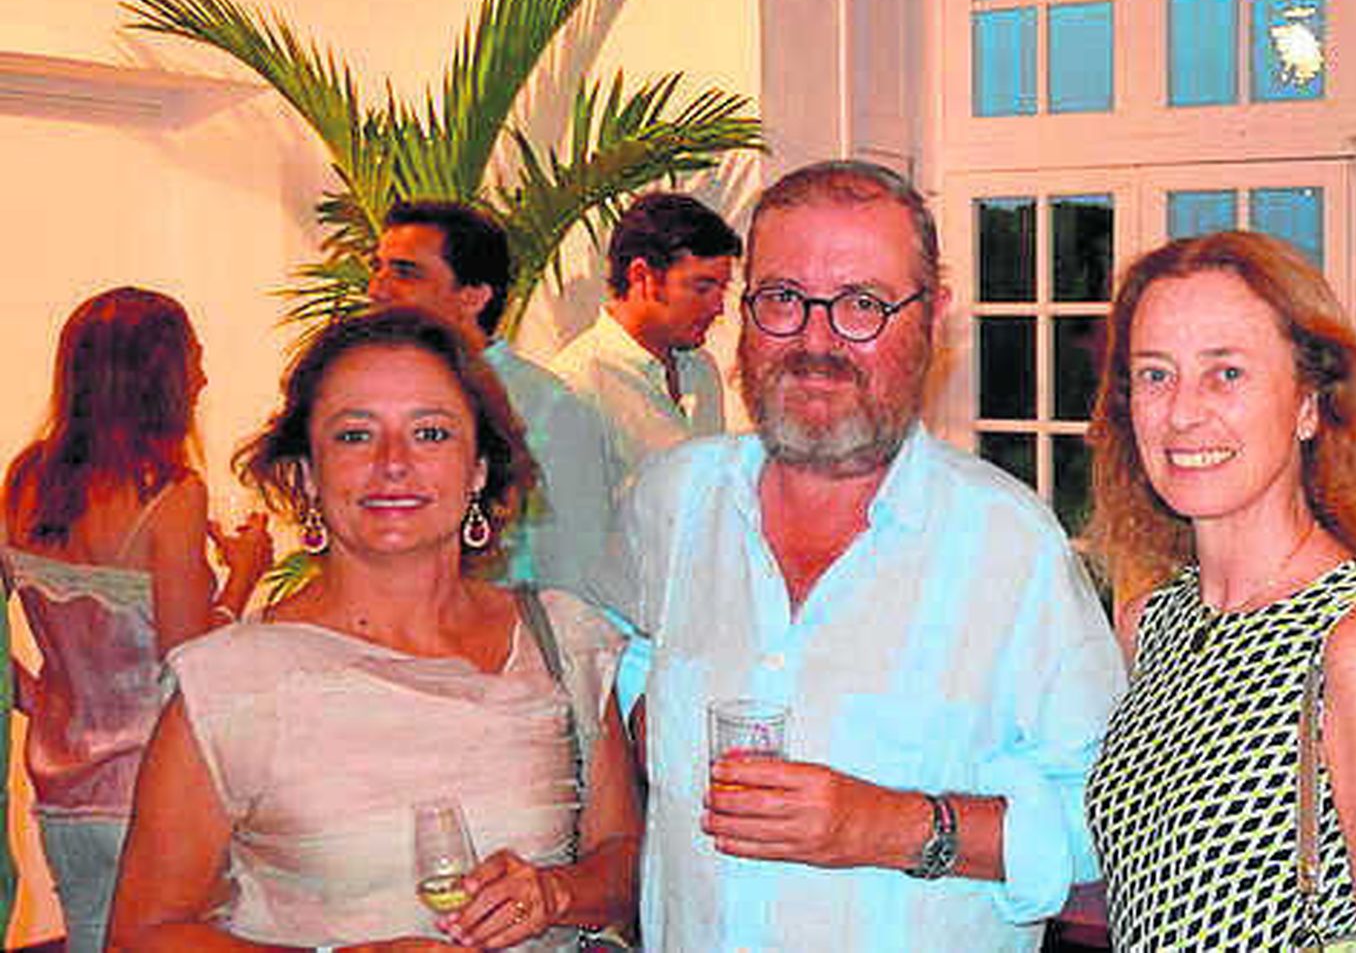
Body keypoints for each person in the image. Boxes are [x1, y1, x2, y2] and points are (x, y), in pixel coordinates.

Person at [595, 160, 1125, 951]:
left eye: (862, 305)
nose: (816, 340)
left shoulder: (1011, 547)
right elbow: (613, 649)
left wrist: (884, 825)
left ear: (932, 317)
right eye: (783, 298)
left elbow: (1105, 818)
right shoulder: (672, 502)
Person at [107, 308, 640, 951]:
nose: (393, 463)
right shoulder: (230, 684)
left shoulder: (562, 642)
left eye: (431, 434)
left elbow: (625, 862)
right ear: (307, 473)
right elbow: (140, 935)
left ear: (478, 469)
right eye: (355, 436)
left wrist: (556, 892)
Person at [1082, 231, 1356, 949]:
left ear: (1308, 403)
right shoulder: (1152, 622)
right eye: (1156, 375)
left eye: (1226, 373)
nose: (1182, 412)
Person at [1, 287, 272, 953]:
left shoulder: (26, 482)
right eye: (194, 361)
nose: (203, 379)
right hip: (156, 785)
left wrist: (43, 696)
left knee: (90, 938)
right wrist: (244, 573)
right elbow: (187, 664)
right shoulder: (170, 492)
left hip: (61, 783)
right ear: (160, 377)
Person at [369, 200, 618, 591]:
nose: (377, 289)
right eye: (378, 268)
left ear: (473, 297)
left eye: (404, 273)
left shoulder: (546, 407)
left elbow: (576, 568)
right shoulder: (370, 395)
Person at [552, 192, 740, 478]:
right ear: (641, 277)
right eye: (702, 289)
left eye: (722, 289)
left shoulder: (702, 370)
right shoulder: (576, 387)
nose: (718, 308)